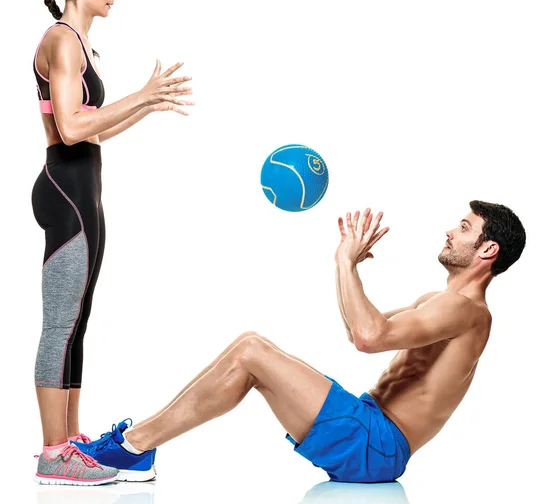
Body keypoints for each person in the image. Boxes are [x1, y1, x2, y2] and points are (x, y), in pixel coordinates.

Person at [75, 200, 526, 483]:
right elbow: (357, 329)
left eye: (465, 228)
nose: (450, 230)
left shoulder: (466, 311)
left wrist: (348, 265)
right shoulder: (439, 301)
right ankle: (134, 447)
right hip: (369, 427)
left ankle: (130, 450)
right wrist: (343, 263)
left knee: (252, 350)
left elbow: (369, 337)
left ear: (488, 251)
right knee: (250, 349)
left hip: (377, 445)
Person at [32, 0, 193, 486]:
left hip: (84, 190)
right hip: (66, 192)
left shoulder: (80, 45)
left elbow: (93, 126)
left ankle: (71, 442)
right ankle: (54, 454)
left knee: (76, 323)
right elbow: (73, 129)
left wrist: (147, 103)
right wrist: (141, 92)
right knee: (60, 325)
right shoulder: (61, 41)